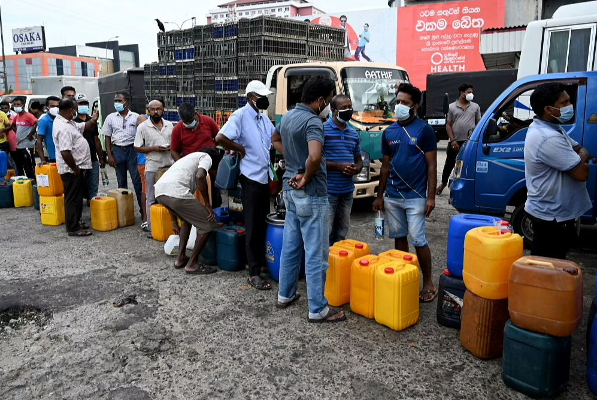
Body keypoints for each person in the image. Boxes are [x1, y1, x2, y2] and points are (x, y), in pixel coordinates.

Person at [272, 75, 346, 322]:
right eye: (329, 101)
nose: (328, 106)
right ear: (321, 100)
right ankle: (317, 309)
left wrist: (293, 159)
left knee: (291, 247)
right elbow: (314, 156)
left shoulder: (288, 116)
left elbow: (274, 139)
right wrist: (306, 174)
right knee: (316, 253)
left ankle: (285, 295)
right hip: (311, 192)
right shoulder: (313, 122)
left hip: (290, 191)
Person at [372, 83, 438, 303]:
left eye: (405, 102)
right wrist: (379, 196)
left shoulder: (424, 130)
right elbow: (385, 167)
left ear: (415, 106)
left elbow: (431, 165)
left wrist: (431, 197)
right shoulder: (389, 132)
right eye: (398, 101)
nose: (399, 106)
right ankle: (403, 277)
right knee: (399, 238)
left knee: (418, 239)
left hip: (416, 197)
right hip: (392, 196)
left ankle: (428, 282)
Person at [216, 81, 275, 290]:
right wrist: (239, 148)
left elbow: (274, 137)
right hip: (249, 177)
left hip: (264, 176)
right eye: (261, 97)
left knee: (263, 222)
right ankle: (254, 272)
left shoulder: (263, 118)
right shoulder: (240, 116)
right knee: (252, 224)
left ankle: (260, 262)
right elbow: (220, 137)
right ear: (251, 97)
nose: (265, 100)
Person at [524, 82, 592, 259]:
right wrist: (580, 157)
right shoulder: (548, 137)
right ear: (548, 109)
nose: (570, 106)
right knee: (547, 266)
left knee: (551, 265)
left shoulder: (554, 128)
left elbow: (580, 148)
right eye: (564, 102)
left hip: (556, 215)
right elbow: (582, 173)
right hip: (551, 218)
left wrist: (578, 156)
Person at [154, 149, 222, 274]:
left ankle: (180, 258)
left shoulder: (189, 159)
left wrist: (174, 221)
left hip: (160, 192)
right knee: (207, 224)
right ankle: (192, 264)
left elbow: (172, 199)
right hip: (175, 193)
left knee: (186, 221)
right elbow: (200, 176)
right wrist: (207, 205)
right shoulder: (206, 157)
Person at [52, 98, 99, 237]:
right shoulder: (63, 127)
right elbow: (65, 152)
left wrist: (93, 120)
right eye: (75, 109)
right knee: (72, 198)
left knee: (77, 197)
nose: (77, 112)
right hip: (71, 170)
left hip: (75, 168)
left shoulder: (69, 122)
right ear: (71, 110)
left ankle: (76, 221)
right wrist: (75, 168)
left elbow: (83, 127)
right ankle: (73, 228)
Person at [324, 95, 362, 246]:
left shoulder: (353, 133)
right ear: (334, 111)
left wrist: (356, 168)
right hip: (328, 191)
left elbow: (359, 159)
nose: (348, 110)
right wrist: (339, 166)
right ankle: (325, 260)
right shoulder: (323, 130)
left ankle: (338, 258)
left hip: (347, 191)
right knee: (326, 232)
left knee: (342, 232)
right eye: (343, 108)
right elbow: (316, 161)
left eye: (349, 107)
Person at [134, 99, 174, 238]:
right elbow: (137, 147)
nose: (156, 112)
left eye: (158, 109)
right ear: (148, 110)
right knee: (151, 198)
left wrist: (170, 147)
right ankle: (152, 228)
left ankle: (171, 226)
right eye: (153, 109)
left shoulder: (169, 125)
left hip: (169, 165)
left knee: (170, 197)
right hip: (152, 165)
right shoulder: (143, 127)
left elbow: (175, 143)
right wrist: (155, 148)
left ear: (163, 110)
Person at [171, 102, 221, 206]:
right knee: (196, 201)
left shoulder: (208, 121)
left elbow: (218, 137)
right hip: (192, 171)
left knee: (214, 198)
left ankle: (214, 212)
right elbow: (174, 150)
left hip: (211, 169)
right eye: (186, 122)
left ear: (195, 114)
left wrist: (211, 149)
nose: (189, 123)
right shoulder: (177, 129)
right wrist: (182, 165)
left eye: (191, 120)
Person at [102, 92, 143, 214]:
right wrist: (109, 155)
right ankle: (125, 213)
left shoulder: (135, 117)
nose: (117, 103)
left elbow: (142, 134)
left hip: (132, 150)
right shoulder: (110, 118)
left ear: (126, 103)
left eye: (119, 101)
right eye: (115, 101)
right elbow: (107, 137)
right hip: (118, 150)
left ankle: (143, 212)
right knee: (121, 183)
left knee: (137, 181)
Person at [436, 83, 481, 195]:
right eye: (469, 92)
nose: (471, 94)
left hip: (469, 142)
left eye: (471, 92)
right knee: (449, 163)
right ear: (462, 93)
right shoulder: (451, 107)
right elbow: (448, 125)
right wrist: (453, 140)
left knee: (466, 165)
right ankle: (443, 183)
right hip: (455, 141)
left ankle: (462, 187)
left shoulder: (475, 107)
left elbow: (478, 124)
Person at [74, 94, 104, 201]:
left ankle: (92, 202)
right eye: (80, 104)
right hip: (79, 159)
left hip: (93, 158)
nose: (83, 106)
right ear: (76, 106)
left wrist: (101, 157)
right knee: (80, 183)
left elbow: (96, 139)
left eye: (85, 103)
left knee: (93, 184)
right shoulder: (73, 122)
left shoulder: (93, 120)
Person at [10, 97, 37, 178]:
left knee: (29, 165)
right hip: (19, 144)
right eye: (14, 104)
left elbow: (37, 123)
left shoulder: (28, 115)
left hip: (27, 145)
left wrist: (31, 134)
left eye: (18, 104)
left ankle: (33, 180)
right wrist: (17, 132)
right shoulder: (17, 116)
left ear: (23, 105)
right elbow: (13, 125)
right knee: (21, 165)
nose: (16, 106)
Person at [136, 111, 150, 232]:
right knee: (146, 189)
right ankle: (145, 219)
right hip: (144, 161)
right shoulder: (143, 118)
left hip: (158, 161)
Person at [36, 96, 61, 164]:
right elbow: (39, 141)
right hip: (53, 157)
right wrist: (42, 159)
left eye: (57, 106)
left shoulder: (62, 119)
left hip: (65, 155)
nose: (55, 108)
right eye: (52, 106)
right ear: (47, 107)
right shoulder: (44, 121)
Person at [0, 102, 18, 172]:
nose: (4, 110)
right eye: (2, 108)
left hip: (3, 142)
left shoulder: (2, 114)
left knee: (9, 162)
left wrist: (2, 131)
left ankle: (14, 175)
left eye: (6, 108)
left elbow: (9, 126)